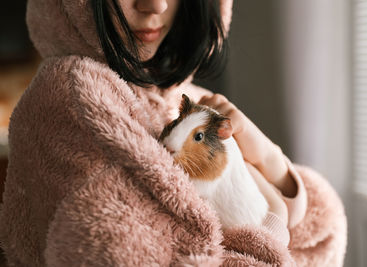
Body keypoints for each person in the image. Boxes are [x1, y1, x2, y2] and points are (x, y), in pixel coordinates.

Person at [0, 0, 347, 266]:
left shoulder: (190, 100)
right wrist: (274, 230)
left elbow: (321, 233)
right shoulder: (76, 97)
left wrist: (270, 159)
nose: (156, 5)